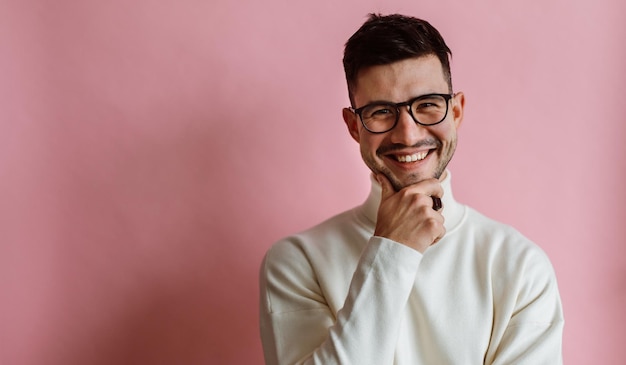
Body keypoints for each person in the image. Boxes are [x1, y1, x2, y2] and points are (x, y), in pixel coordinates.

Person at [259, 13, 564, 365]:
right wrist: (393, 250)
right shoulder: (297, 262)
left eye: (428, 105)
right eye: (381, 112)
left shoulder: (520, 266)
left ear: (457, 112)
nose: (407, 134)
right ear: (354, 126)